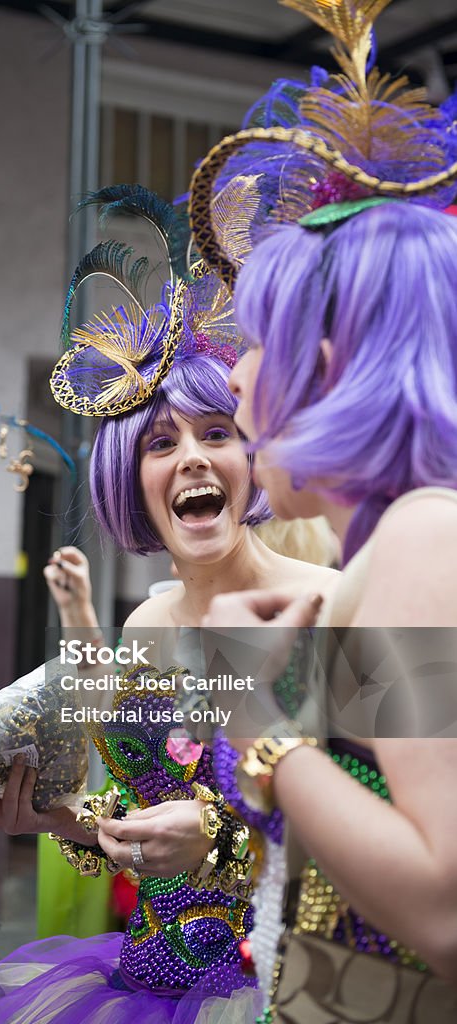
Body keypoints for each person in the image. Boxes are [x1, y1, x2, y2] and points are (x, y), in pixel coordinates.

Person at [0, 188, 339, 1023]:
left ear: (254, 456)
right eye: (162, 443)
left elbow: (385, 849)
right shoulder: (147, 627)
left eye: (217, 433)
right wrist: (55, 817)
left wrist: (224, 842)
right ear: (130, 479)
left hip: (278, 992)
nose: (194, 459)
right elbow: (138, 816)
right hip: (140, 981)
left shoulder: (323, 605)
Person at [187, 0, 457, 1015]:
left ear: (328, 369)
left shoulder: (427, 536)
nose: (238, 383)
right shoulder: (403, 542)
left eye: (253, 347)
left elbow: (445, 908)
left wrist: (261, 725)